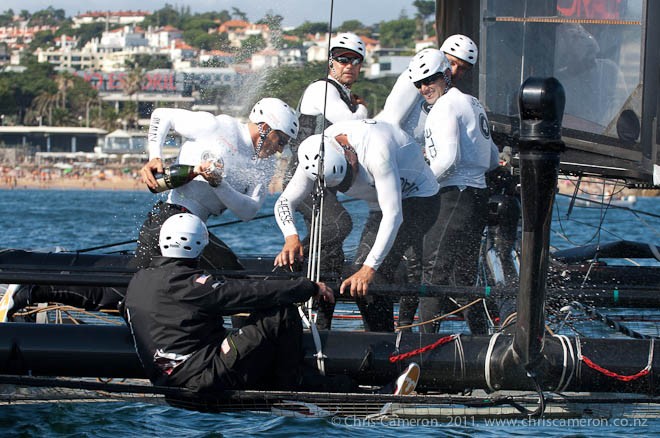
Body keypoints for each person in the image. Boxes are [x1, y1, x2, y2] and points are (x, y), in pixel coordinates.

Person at [0, 98, 299, 321]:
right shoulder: (218, 126)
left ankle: (52, 271)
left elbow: (248, 211)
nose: (280, 148)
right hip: (169, 220)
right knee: (124, 290)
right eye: (280, 139)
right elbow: (161, 115)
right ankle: (31, 289)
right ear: (264, 126)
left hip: (197, 233)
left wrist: (220, 185)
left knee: (231, 280)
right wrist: (154, 156)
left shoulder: (265, 163)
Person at [123, 213, 421, 395]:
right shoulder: (193, 285)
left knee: (253, 317)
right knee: (277, 312)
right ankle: (294, 383)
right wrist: (305, 287)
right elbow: (245, 293)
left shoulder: (138, 282)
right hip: (203, 377)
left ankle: (289, 380)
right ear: (200, 245)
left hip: (166, 381)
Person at [274, 119, 441, 332]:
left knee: (370, 275)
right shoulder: (315, 151)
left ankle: (383, 345)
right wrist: (291, 237)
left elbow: (394, 216)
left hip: (420, 201)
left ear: (348, 154)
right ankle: (329, 330)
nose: (349, 185)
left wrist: (369, 268)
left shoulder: (376, 151)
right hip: (382, 204)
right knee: (360, 273)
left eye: (347, 178)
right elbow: (285, 202)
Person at [407, 49, 499, 335]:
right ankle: (483, 343)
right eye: (418, 83)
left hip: (454, 197)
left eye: (430, 80)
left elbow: (448, 160)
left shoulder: (445, 107)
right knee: (464, 277)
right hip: (477, 197)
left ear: (446, 76)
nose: (424, 88)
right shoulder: (473, 103)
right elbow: (494, 158)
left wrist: (417, 186)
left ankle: (421, 348)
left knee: (432, 272)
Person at [285, 32, 369, 329]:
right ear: (331, 63)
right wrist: (362, 108)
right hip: (302, 177)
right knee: (338, 225)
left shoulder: (342, 95)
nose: (349, 65)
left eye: (355, 61)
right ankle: (289, 271)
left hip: (326, 181)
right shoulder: (321, 88)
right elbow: (353, 123)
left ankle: (321, 329)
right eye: (342, 59)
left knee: (331, 260)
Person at [376, 34, 479, 145]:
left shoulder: (450, 92)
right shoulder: (415, 77)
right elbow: (390, 122)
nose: (454, 71)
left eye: (462, 68)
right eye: (451, 62)